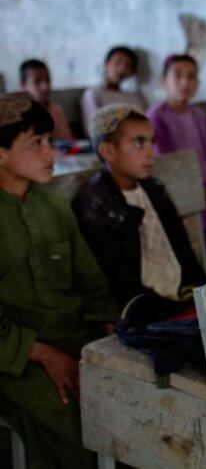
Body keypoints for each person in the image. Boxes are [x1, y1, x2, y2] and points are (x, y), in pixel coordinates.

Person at [0, 93, 117, 468]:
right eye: (37, 143)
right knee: (72, 417)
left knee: (131, 398)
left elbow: (91, 282)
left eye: (51, 141)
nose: (52, 153)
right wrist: (44, 354)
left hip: (74, 339)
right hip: (14, 357)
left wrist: (114, 334)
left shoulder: (53, 206)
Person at [72, 103, 206, 310]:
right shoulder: (95, 203)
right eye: (139, 143)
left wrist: (202, 289)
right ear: (108, 150)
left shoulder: (154, 189)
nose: (151, 153)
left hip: (182, 292)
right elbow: (116, 278)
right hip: (141, 306)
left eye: (151, 142)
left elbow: (182, 246)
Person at [148, 54, 206, 190]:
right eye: (177, 76)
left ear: (197, 83)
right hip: (185, 192)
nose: (185, 82)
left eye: (191, 77)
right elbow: (164, 164)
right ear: (164, 80)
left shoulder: (198, 114)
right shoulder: (156, 117)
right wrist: (202, 192)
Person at [81, 46, 147, 134]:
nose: (122, 69)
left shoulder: (134, 96)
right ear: (106, 64)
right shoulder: (94, 94)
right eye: (118, 62)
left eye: (128, 66)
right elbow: (94, 129)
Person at [19, 59, 74, 141]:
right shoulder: (18, 115)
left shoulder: (55, 109)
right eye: (37, 81)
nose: (45, 87)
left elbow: (69, 142)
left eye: (48, 80)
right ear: (23, 85)